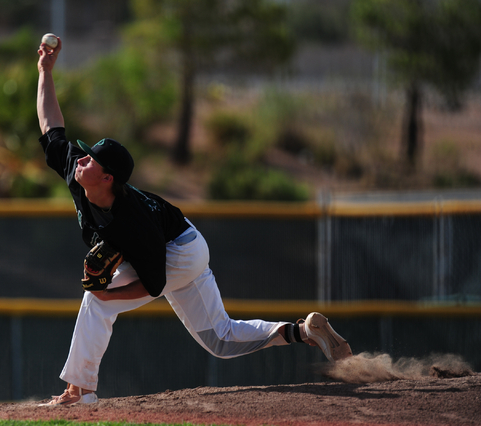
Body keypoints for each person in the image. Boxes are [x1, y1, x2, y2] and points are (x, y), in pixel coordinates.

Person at [36, 36, 353, 406]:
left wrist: (110, 293)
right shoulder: (80, 175)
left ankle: (80, 392)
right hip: (185, 238)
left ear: (108, 179)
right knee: (220, 338)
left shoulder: (132, 222)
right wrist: (45, 71)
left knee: (97, 301)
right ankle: (302, 332)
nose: (81, 161)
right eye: (85, 156)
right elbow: (51, 126)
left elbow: (154, 285)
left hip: (177, 252)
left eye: (91, 160)